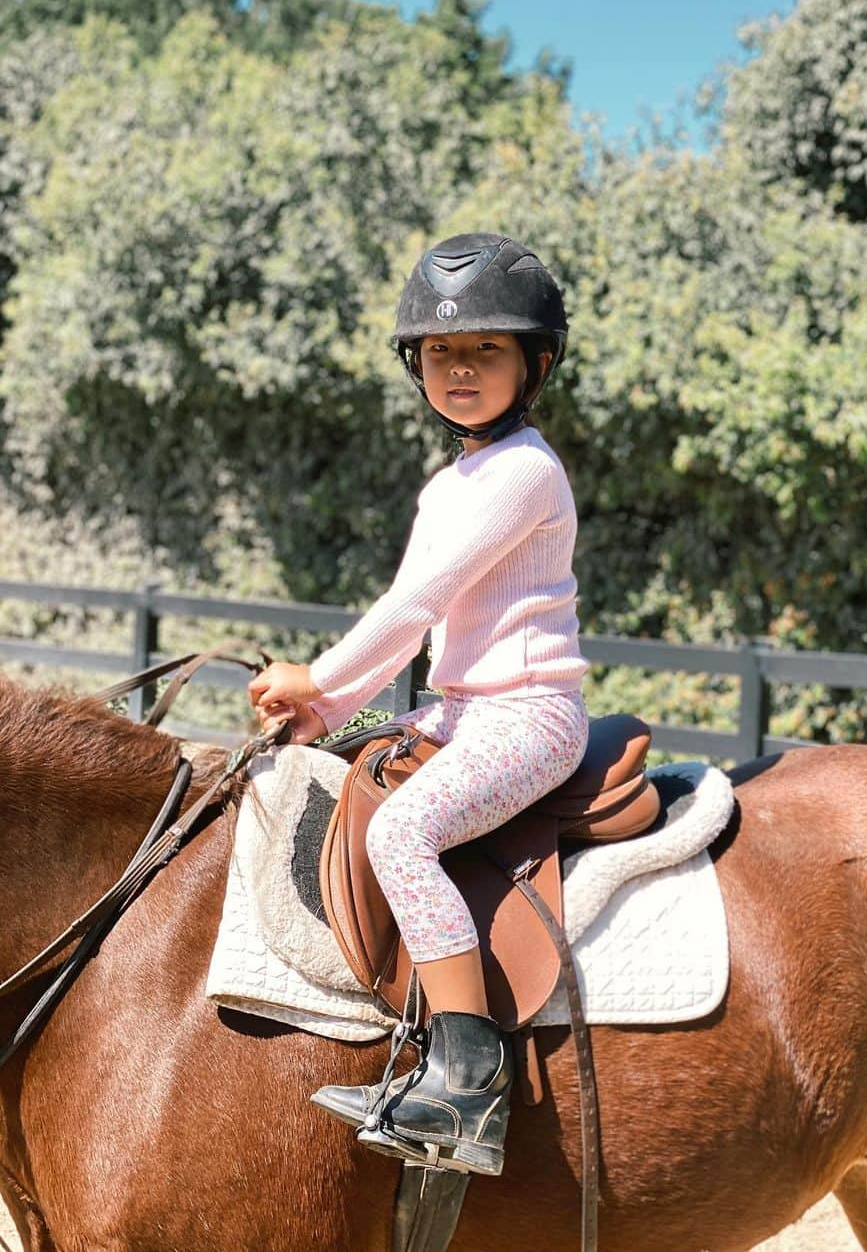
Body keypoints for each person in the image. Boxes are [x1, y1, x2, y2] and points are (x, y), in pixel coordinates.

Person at [247, 233, 589, 1177]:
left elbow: (414, 603)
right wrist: (328, 711)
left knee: (402, 834)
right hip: (460, 710)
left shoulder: (524, 470)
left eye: (486, 350)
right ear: (418, 367)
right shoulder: (453, 482)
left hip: (527, 717)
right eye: (442, 352)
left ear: (536, 363)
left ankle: (469, 1076)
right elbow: (419, 627)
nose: (462, 369)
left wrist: (315, 676)